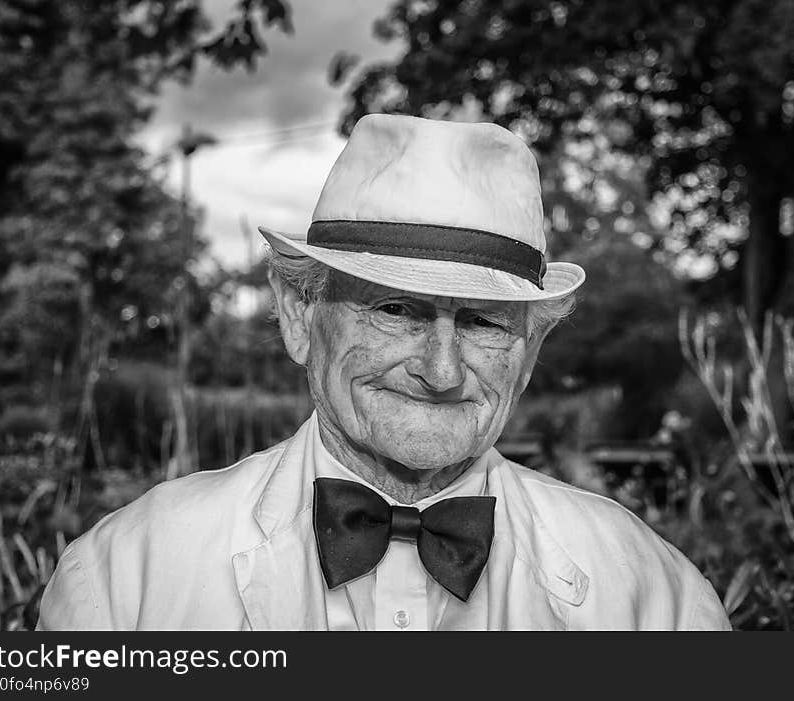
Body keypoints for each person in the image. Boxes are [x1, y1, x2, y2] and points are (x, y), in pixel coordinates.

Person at [37, 114, 731, 630]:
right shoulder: (124, 581)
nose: (442, 368)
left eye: (484, 321)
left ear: (528, 355)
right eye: (396, 308)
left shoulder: (653, 598)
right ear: (300, 314)